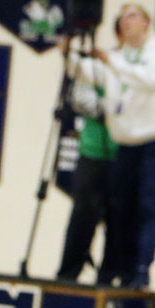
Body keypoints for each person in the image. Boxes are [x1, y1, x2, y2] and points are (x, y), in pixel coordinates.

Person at [84, 3, 155, 289]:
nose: (127, 21)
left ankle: (141, 269)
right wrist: (70, 49)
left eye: (133, 15)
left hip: (153, 145)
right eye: (122, 17)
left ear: (147, 23)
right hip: (124, 145)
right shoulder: (115, 57)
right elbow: (87, 72)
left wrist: (111, 62)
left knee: (147, 208)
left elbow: (150, 80)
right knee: (118, 210)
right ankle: (115, 267)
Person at [56, 23, 121, 282]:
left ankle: (109, 278)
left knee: (119, 222)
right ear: (117, 34)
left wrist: (111, 108)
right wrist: (112, 109)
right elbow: (81, 100)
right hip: (92, 152)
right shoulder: (96, 64)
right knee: (82, 216)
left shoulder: (143, 67)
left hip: (125, 155)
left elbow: (139, 105)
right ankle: (68, 273)